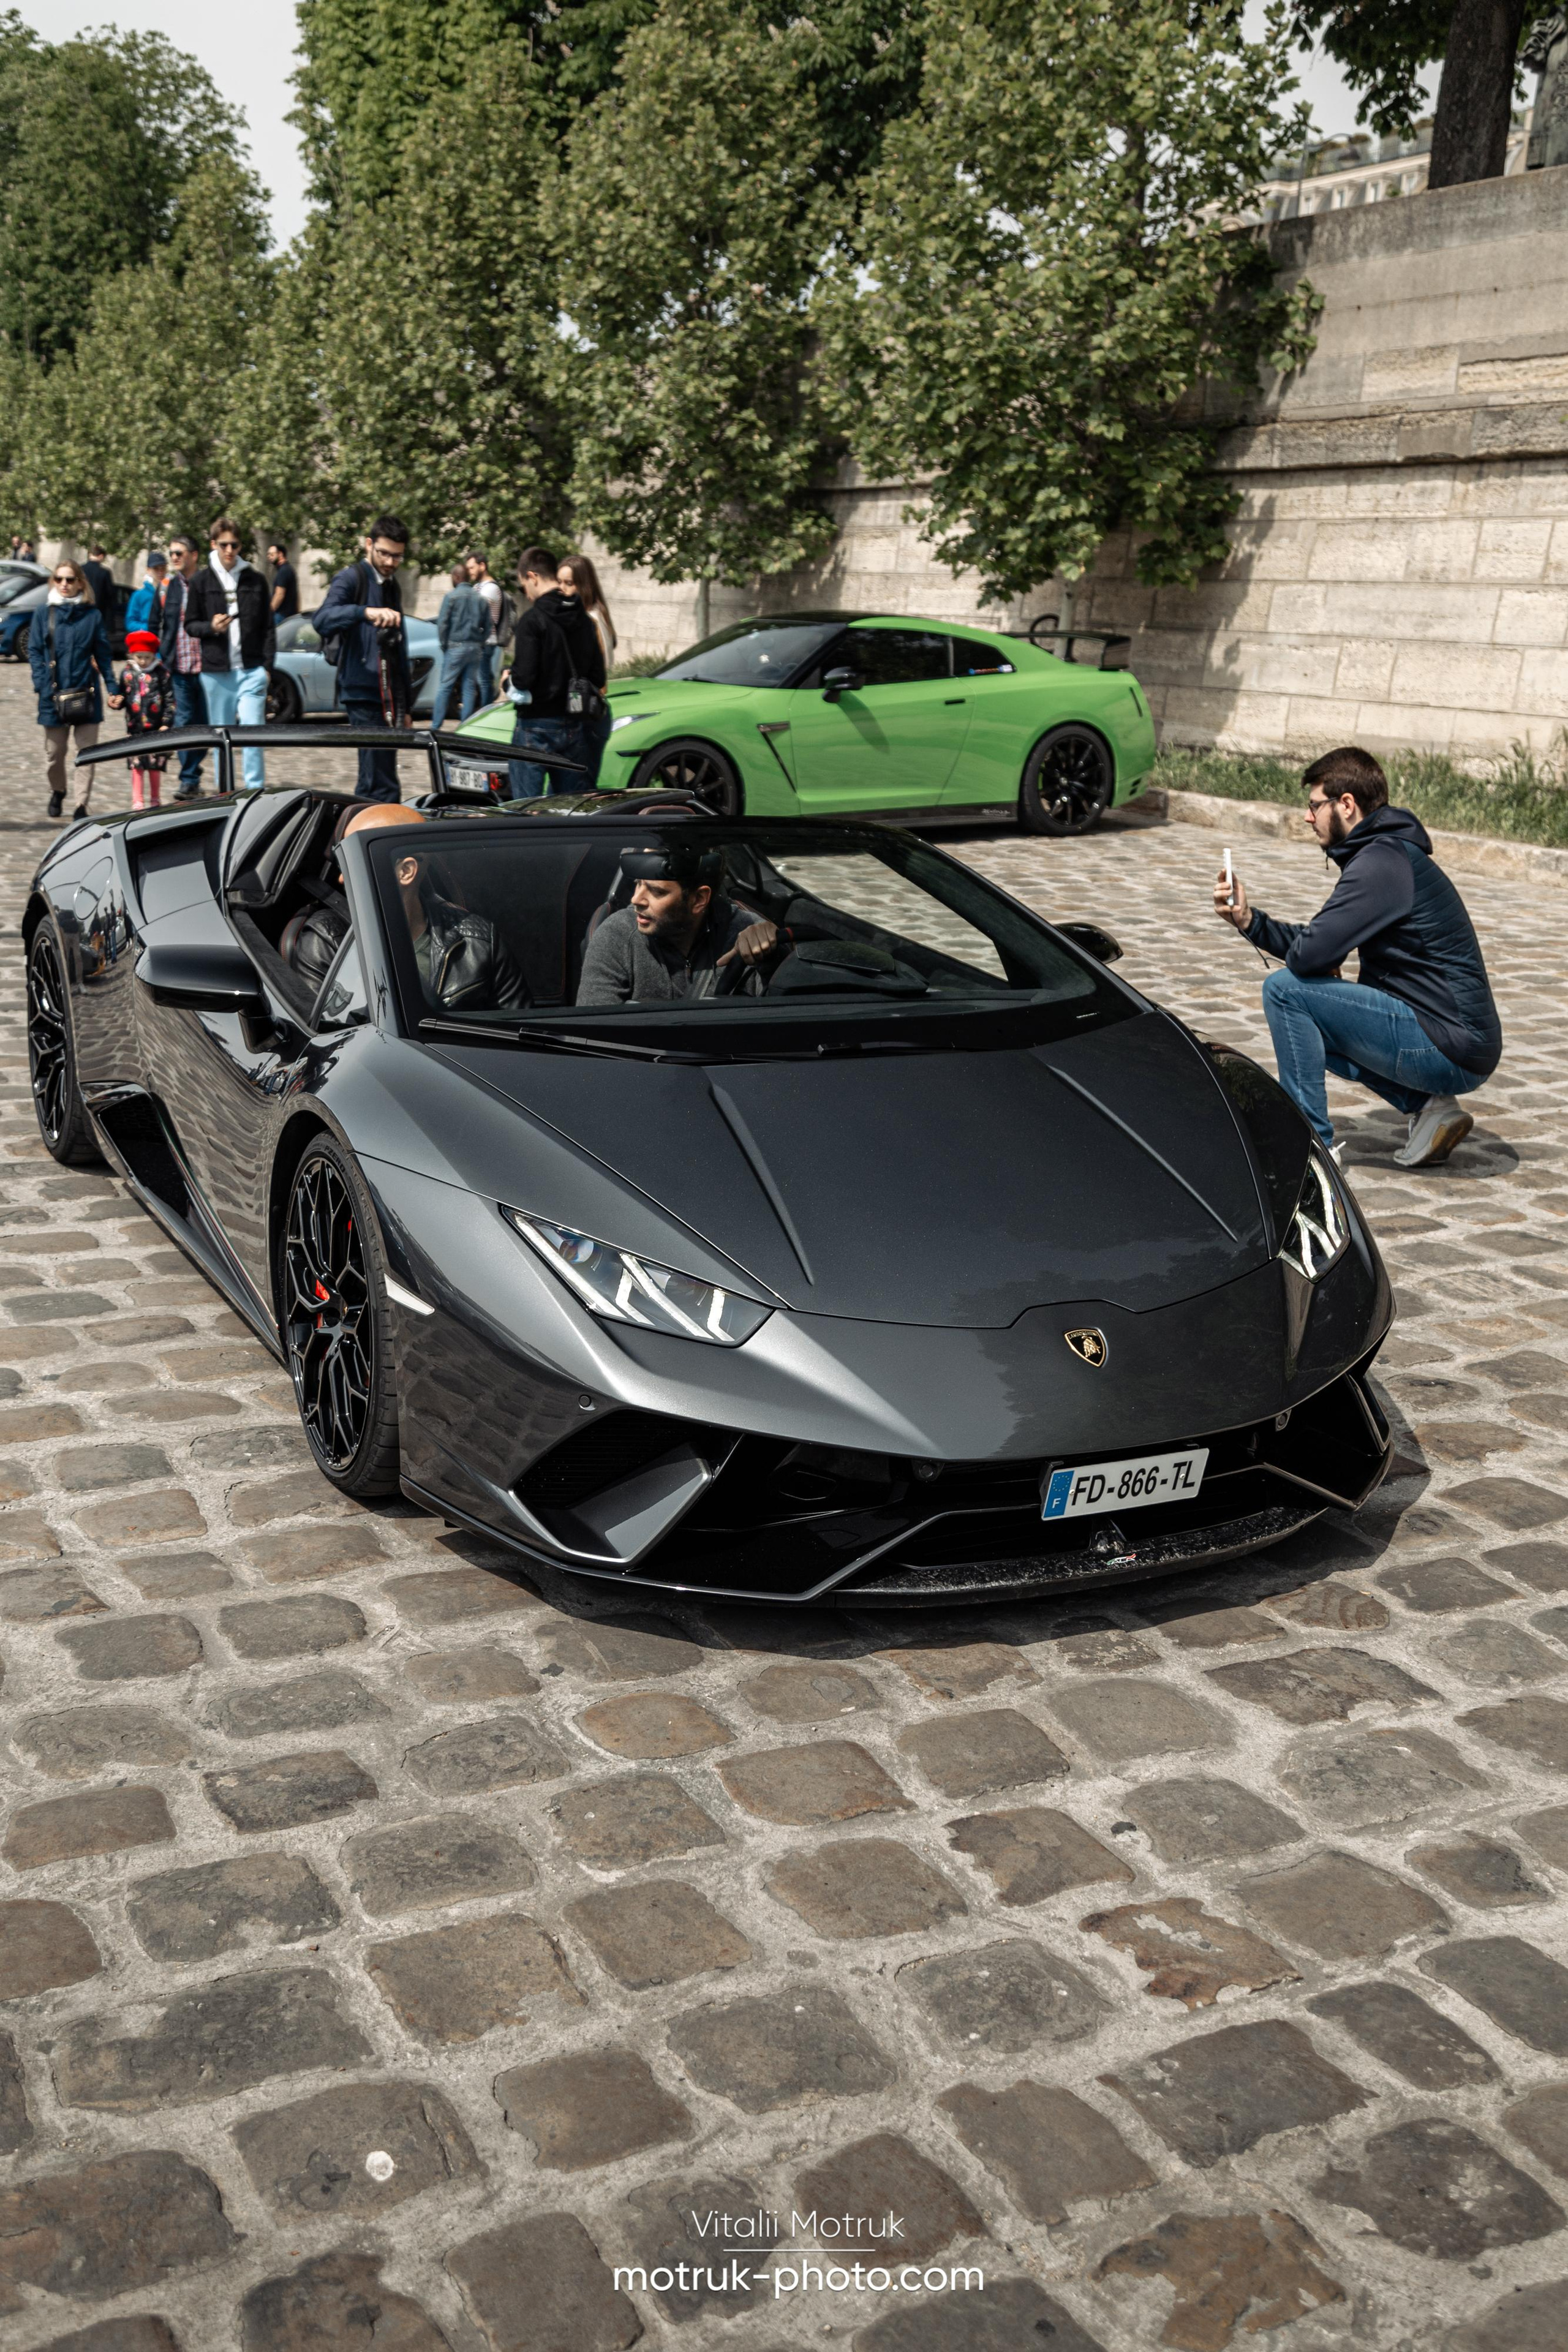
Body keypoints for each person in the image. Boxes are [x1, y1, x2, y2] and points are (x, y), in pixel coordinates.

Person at [1215, 745, 1501, 1170]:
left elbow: (1309, 954)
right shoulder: (1386, 855)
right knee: (1310, 1021)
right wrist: (1249, 920)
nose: (1309, 817)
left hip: (1451, 1045)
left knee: (1285, 994)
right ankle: (1427, 1105)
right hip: (1457, 1043)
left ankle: (1310, 1148)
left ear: (1346, 804)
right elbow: (1316, 946)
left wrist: (1316, 960)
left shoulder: (1381, 864)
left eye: (1315, 806)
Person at [344, 802, 528, 1009]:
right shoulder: (328, 941)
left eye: (355, 863)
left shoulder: (480, 942)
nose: (342, 878)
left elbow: (519, 1029)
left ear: (406, 871)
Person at [576, 840, 780, 1005]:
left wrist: (773, 956)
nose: (636, 900)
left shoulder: (747, 934)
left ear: (699, 900)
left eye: (657, 891)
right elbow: (592, 1036)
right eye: (637, 884)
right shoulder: (616, 937)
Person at [316, 514, 412, 803]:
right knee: (378, 779)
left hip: (389, 695)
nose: (390, 562)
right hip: (361, 690)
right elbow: (322, 619)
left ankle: (372, 827)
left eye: (398, 557)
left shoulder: (392, 585)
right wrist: (364, 612)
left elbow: (399, 649)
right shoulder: (351, 577)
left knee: (380, 773)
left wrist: (406, 705)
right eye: (384, 553)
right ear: (369, 545)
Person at [504, 546, 605, 798]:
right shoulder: (583, 619)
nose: (525, 593)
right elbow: (598, 678)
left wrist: (508, 680)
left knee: (525, 808)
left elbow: (524, 678)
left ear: (532, 577)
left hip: (535, 725)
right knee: (569, 807)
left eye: (523, 585)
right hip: (574, 724)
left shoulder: (532, 620)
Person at [185, 521, 274, 793]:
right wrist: (211, 627)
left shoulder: (256, 579)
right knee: (221, 736)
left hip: (251, 671)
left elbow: (268, 626)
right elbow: (190, 625)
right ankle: (225, 792)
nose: (229, 550)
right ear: (214, 544)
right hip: (216, 672)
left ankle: (254, 791)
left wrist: (267, 668)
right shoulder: (201, 580)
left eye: (235, 545)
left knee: (252, 735)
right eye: (224, 545)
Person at [29, 557, 120, 820]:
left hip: (86, 694)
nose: (65, 584)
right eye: (60, 579)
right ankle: (58, 790)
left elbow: (103, 656)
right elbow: (35, 650)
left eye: (70, 579)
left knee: (87, 755)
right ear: (54, 581)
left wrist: (113, 688)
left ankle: (81, 805)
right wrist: (41, 683)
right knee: (54, 755)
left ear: (80, 582)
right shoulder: (44, 613)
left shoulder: (92, 615)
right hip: (52, 695)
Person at [559, 552, 617, 783]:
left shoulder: (589, 620)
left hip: (586, 710)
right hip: (591, 709)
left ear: (583, 585)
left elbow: (595, 672)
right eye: (559, 582)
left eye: (569, 583)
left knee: (578, 788)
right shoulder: (596, 614)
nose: (562, 589)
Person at [159, 535, 208, 799]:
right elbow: (159, 624)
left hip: (208, 666)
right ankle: (188, 779)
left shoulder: (208, 583)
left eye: (180, 553)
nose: (175, 557)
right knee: (184, 722)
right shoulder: (167, 587)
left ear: (194, 555)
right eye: (172, 553)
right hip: (178, 666)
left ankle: (195, 770)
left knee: (207, 723)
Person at [118, 628, 173, 809]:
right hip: (135, 728)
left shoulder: (162, 674)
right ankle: (138, 800)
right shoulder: (127, 674)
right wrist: (116, 702)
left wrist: (166, 723)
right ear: (132, 655)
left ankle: (155, 798)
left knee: (155, 764)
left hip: (156, 728)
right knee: (137, 765)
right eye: (139, 657)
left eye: (147, 657)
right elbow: (122, 697)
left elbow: (170, 700)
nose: (143, 661)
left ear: (153, 656)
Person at [432, 563, 492, 726]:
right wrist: (479, 641)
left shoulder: (451, 597)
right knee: (469, 688)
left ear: (456, 578)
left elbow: (442, 624)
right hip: (475, 648)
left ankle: (436, 727)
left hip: (456, 646)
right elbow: (488, 626)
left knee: (445, 687)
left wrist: (445, 645)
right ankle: (465, 727)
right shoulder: (480, 599)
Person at [126, 551, 167, 632]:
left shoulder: (172, 592)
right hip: (148, 640)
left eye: (163, 568)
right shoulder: (138, 596)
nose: (160, 572)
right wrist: (149, 628)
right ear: (148, 570)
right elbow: (130, 623)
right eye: (156, 568)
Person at [82, 545, 117, 625]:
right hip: (99, 613)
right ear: (101, 556)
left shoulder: (80, 569)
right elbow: (110, 595)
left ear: (90, 555)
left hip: (81, 611)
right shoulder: (105, 572)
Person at [267, 538, 299, 620]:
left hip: (281, 615)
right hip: (289, 616)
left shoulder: (283, 571)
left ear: (280, 554)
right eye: (268, 555)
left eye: (272, 555)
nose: (269, 557)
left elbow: (279, 595)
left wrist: (269, 612)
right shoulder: (289, 569)